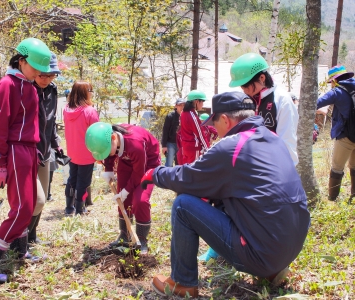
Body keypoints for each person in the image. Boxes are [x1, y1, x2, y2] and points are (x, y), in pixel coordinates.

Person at [140, 91, 310, 297]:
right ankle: (272, 270)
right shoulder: (273, 139)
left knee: (183, 205)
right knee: (224, 197)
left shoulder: (233, 147)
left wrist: (155, 173)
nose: (213, 128)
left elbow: (187, 177)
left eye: (215, 123)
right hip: (291, 247)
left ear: (226, 120)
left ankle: (182, 282)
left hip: (262, 254)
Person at [0, 37, 51, 283]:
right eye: (36, 68)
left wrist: (37, 148)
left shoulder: (29, 85)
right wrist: (0, 163)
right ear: (21, 61)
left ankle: (21, 251)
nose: (39, 73)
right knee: (22, 209)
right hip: (16, 151)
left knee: (29, 204)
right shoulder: (7, 85)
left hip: (29, 150)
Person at [85, 122, 161, 254]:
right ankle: (124, 235)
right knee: (123, 199)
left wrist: (126, 190)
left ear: (114, 138)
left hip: (147, 164)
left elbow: (139, 173)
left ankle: (142, 239)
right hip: (126, 160)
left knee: (140, 200)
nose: (107, 154)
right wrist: (108, 169)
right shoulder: (109, 138)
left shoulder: (135, 142)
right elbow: (108, 154)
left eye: (107, 151)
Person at [229, 52, 299, 165]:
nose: (244, 90)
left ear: (262, 78)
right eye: (241, 86)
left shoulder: (281, 100)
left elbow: (287, 143)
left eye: (246, 85)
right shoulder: (248, 100)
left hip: (274, 168)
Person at [27, 52, 62, 244]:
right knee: (35, 199)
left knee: (44, 197)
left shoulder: (52, 90)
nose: (46, 79)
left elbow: (51, 120)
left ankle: (32, 236)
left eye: (51, 75)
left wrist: (56, 143)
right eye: (42, 75)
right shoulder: (26, 89)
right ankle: (20, 240)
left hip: (46, 151)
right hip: (29, 152)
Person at [316, 65, 355, 201]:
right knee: (354, 166)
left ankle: (333, 198)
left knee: (337, 167)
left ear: (334, 80)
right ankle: (354, 197)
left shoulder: (337, 92)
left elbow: (315, 103)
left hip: (345, 136)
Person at [63, 81, 99, 215]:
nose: (91, 93)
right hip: (86, 153)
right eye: (90, 90)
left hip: (72, 151)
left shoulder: (66, 109)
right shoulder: (90, 111)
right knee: (83, 182)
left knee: (72, 179)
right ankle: (80, 209)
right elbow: (97, 134)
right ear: (86, 93)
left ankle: (69, 207)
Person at [179, 90, 210, 164]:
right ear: (196, 101)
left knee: (186, 170)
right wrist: (208, 149)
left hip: (185, 147)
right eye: (202, 101)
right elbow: (200, 134)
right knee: (194, 171)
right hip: (194, 148)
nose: (203, 104)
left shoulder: (183, 113)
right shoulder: (192, 116)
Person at [161, 98, 185, 167]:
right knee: (169, 164)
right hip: (170, 143)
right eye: (180, 105)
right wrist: (164, 145)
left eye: (183, 105)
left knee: (180, 164)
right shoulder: (170, 116)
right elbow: (165, 131)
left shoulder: (186, 116)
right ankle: (167, 177)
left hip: (181, 144)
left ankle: (177, 177)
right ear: (176, 106)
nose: (182, 107)